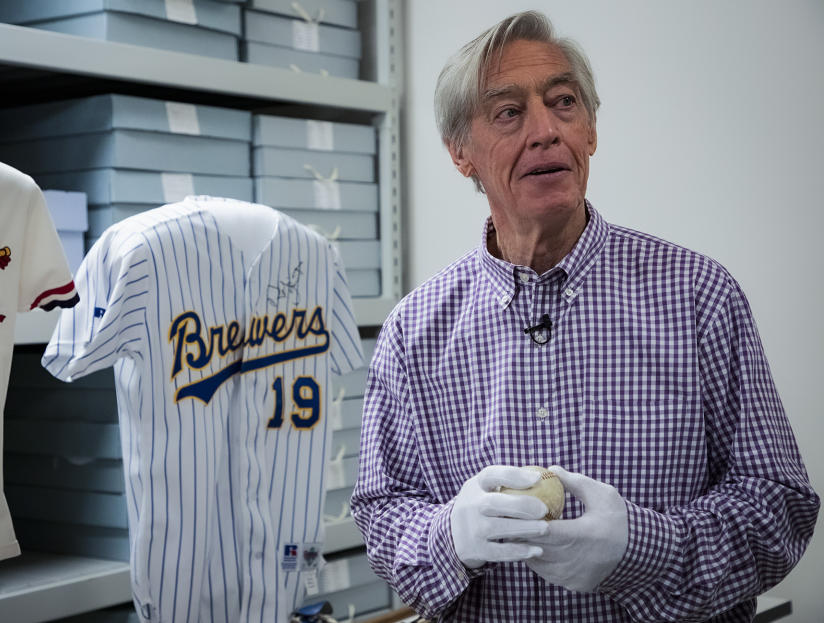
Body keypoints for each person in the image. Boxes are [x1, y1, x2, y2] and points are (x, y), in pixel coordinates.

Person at [350, 10, 819, 621]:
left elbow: (779, 508)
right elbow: (382, 512)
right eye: (509, 112)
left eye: (563, 101)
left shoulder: (699, 296)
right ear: (460, 152)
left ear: (591, 129)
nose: (545, 130)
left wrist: (644, 550)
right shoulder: (414, 331)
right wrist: (448, 539)